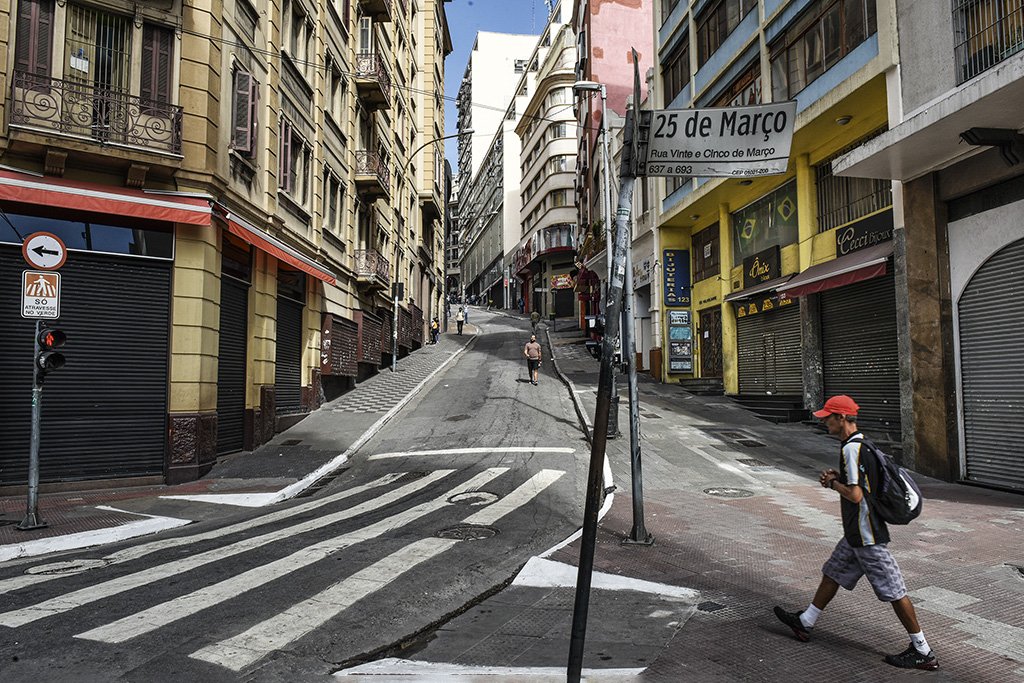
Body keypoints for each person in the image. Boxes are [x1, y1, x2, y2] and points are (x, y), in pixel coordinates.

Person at [773, 395, 938, 671]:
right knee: (834, 571)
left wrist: (832, 483)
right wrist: (839, 477)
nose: (824, 421)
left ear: (841, 418)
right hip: (857, 534)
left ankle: (923, 650)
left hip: (867, 536)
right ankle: (805, 622)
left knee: (894, 590)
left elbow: (856, 494)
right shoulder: (864, 444)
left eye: (827, 417)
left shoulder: (852, 449)